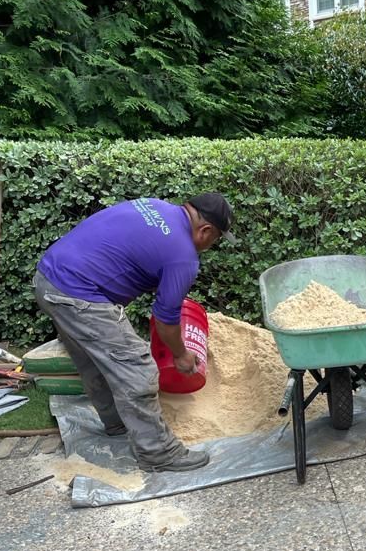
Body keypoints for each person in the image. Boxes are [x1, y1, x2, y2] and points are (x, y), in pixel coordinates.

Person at [33, 193, 236, 471]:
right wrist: (181, 356)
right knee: (137, 368)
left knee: (93, 360)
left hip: (49, 279)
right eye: (216, 240)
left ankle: (117, 423)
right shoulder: (183, 257)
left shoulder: (154, 206)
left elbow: (134, 251)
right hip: (79, 293)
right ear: (206, 231)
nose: (211, 246)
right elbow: (166, 320)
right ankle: (159, 453)